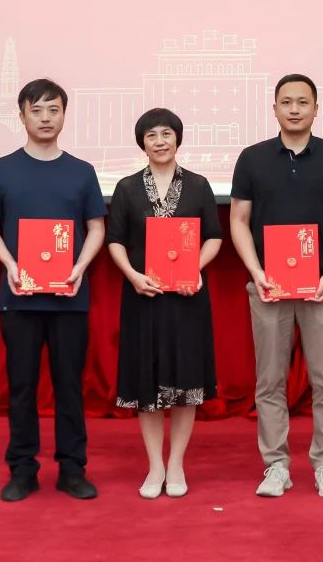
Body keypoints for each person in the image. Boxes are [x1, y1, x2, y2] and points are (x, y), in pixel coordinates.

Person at [229, 74, 323, 499]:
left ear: (316, 109)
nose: (294, 109)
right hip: (268, 287)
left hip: (322, 286)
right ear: (274, 109)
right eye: (286, 102)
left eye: (303, 102)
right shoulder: (252, 158)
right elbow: (238, 220)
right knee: (269, 382)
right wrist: (256, 272)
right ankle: (276, 465)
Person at [0, 78, 106, 503]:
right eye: (36, 110)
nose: (46, 118)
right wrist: (11, 264)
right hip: (19, 296)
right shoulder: (2, 169)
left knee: (69, 387)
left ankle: (72, 469)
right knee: (22, 386)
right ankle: (22, 469)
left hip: (69, 298)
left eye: (54, 109)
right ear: (22, 116)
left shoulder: (82, 171)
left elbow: (96, 228)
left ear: (64, 115)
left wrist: (80, 267)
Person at [106, 108, 222, 499]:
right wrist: (132, 276)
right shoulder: (127, 188)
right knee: (147, 382)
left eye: (167, 133)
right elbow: (115, 240)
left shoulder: (199, 185)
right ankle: (155, 465)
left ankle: (176, 465)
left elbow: (214, 237)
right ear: (142, 142)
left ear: (178, 138)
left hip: (187, 300)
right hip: (143, 298)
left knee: (185, 382)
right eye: (152, 135)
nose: (160, 141)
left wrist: (194, 268)